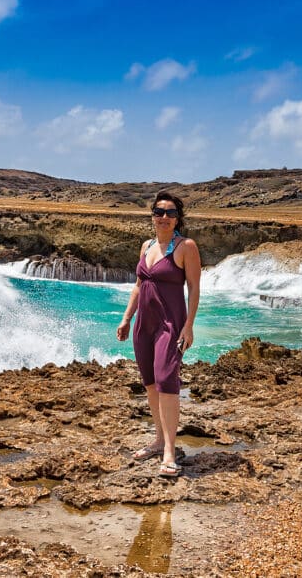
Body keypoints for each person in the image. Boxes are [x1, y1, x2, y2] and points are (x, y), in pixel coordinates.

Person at [116, 190, 201, 477]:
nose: (164, 217)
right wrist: (127, 318)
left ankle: (169, 451)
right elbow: (139, 285)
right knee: (150, 383)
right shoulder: (146, 245)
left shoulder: (186, 246)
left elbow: (194, 289)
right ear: (152, 215)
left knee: (167, 381)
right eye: (159, 212)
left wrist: (188, 326)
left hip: (170, 324)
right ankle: (157, 440)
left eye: (170, 213)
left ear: (178, 219)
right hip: (144, 324)